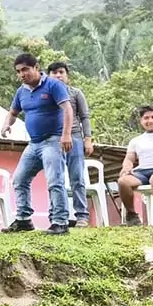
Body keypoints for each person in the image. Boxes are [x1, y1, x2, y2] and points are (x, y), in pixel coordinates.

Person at [0, 53, 74, 235]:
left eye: (25, 69)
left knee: (54, 180)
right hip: (34, 144)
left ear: (36, 67)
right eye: (18, 71)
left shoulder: (53, 85)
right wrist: (6, 124)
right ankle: (24, 220)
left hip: (53, 140)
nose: (22, 74)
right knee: (19, 179)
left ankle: (60, 222)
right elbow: (13, 112)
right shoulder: (21, 91)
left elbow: (68, 109)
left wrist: (66, 135)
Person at [47, 61, 95, 228]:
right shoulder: (46, 94)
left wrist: (87, 139)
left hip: (74, 137)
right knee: (54, 178)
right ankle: (56, 215)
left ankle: (82, 216)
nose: (58, 75)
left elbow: (85, 117)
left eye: (61, 72)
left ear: (67, 75)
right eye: (54, 73)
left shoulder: (75, 93)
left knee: (77, 178)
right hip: (53, 139)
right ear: (48, 76)